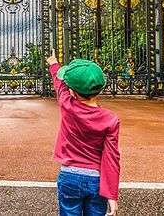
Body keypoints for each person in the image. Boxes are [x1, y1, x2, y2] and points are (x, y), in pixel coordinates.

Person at [46, 49, 120, 216]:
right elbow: (112, 157)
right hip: (96, 179)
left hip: (69, 176)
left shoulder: (67, 105)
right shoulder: (110, 119)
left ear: (72, 91)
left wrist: (54, 64)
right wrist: (111, 195)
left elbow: (60, 84)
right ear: (100, 89)